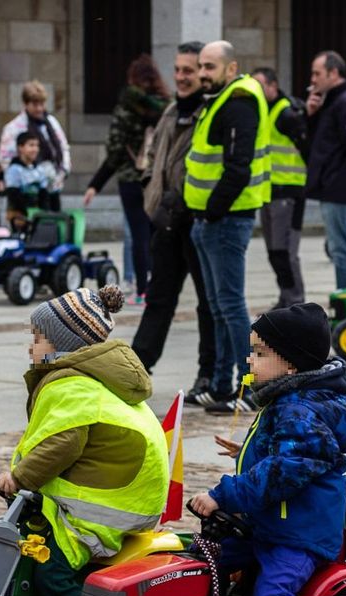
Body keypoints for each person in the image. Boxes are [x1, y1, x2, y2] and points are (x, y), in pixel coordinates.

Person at [189, 303, 346, 596]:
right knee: (203, 557)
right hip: (270, 527)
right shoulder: (290, 403)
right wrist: (249, 451)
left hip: (298, 535)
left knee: (272, 594)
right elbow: (286, 453)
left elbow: (285, 471)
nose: (250, 360)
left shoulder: (299, 409)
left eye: (260, 353)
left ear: (290, 364)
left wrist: (224, 493)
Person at [0, 285, 169, 596]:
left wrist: (19, 477)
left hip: (106, 507)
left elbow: (63, 443)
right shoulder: (93, 379)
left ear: (62, 345)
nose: (31, 347)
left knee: (51, 572)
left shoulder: (71, 384)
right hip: (124, 494)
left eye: (38, 338)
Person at [184, 41, 271, 415]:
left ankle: (249, 385)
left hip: (226, 219)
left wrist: (214, 210)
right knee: (218, 306)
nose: (203, 73)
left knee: (231, 306)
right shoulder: (218, 100)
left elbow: (239, 166)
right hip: (210, 219)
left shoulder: (238, 102)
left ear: (230, 67)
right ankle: (221, 385)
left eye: (210, 66)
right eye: (200, 65)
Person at [131, 41, 216, 406]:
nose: (181, 77)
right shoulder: (169, 113)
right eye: (178, 70)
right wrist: (151, 186)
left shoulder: (210, 113)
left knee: (208, 303)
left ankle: (209, 373)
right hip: (165, 221)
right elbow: (154, 157)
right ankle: (134, 370)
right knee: (158, 298)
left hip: (197, 220)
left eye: (189, 70)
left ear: (204, 72)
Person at [84, 55, 170, 302]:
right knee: (156, 233)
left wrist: (96, 184)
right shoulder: (167, 107)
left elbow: (115, 149)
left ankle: (142, 291)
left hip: (132, 179)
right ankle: (160, 285)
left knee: (138, 235)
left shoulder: (126, 107)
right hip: (157, 179)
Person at [304, 51, 346, 290]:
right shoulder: (332, 101)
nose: (312, 79)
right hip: (332, 184)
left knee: (341, 247)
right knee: (342, 246)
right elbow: (320, 144)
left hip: (338, 185)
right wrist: (311, 116)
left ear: (333, 73)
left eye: (317, 73)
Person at [251, 66, 307, 308]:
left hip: (289, 192)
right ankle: (286, 297)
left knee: (285, 252)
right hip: (269, 191)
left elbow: (308, 144)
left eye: (260, 86)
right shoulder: (264, 111)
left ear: (274, 86)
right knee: (274, 252)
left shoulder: (286, 113)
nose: (256, 91)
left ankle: (296, 301)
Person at [0, 81, 70, 211]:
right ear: (26, 104)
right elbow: (5, 158)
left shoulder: (51, 123)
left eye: (41, 104)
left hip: (52, 184)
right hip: (24, 189)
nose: (39, 109)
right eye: (34, 104)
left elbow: (62, 147)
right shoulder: (14, 128)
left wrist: (63, 171)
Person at [4, 132, 57, 230]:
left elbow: (43, 193)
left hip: (36, 214)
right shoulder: (14, 169)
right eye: (31, 145)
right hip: (19, 215)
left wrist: (45, 213)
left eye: (37, 146)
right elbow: (13, 195)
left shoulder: (39, 169)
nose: (35, 149)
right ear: (20, 148)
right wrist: (25, 214)